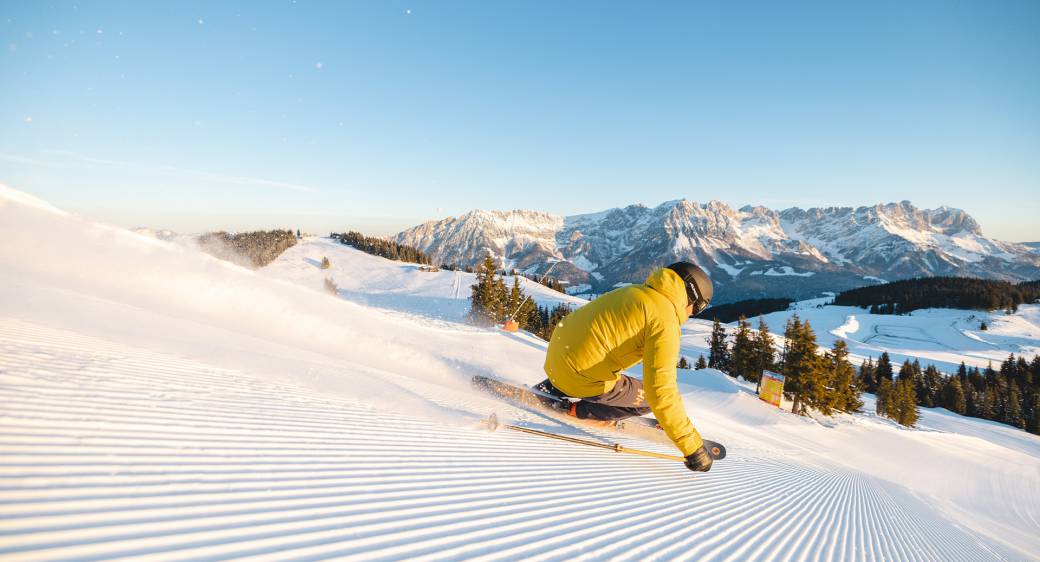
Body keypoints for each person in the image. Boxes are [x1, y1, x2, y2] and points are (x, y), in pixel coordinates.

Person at [535, 262, 715, 472]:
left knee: (602, 369)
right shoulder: (665, 320)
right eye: (699, 307)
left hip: (557, 360)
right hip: (580, 376)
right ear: (691, 295)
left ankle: (554, 387)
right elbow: (661, 391)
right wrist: (692, 447)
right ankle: (577, 410)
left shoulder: (634, 291)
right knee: (647, 399)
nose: (693, 313)